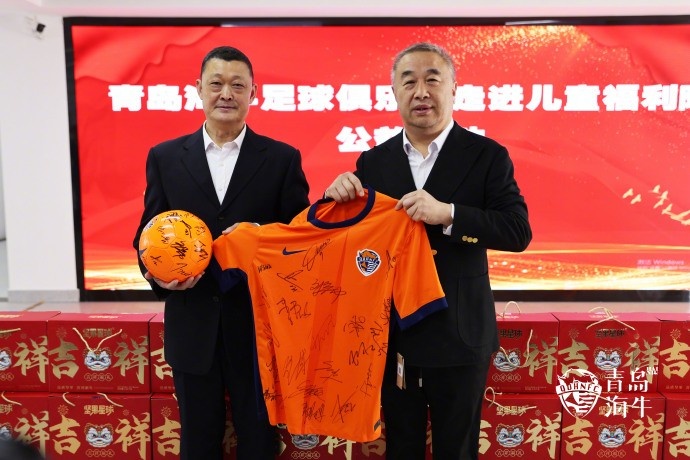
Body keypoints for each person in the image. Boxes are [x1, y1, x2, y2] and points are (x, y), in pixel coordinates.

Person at [324, 42, 532, 459]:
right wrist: (333, 200)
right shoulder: (373, 162)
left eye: (432, 80)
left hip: (461, 332)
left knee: (457, 450)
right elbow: (350, 244)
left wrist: (449, 214)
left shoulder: (487, 156)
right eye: (409, 82)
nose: (421, 92)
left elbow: (517, 231)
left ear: (453, 88)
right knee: (401, 448)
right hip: (395, 335)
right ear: (394, 93)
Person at [133, 46, 310, 460]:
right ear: (198, 89)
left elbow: (300, 240)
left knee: (259, 442)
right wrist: (160, 278)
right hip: (193, 322)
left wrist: (259, 236)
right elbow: (148, 233)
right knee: (198, 441)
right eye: (216, 83)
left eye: (237, 85)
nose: (226, 94)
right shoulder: (165, 157)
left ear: (253, 93)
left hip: (259, 329)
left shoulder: (281, 159)